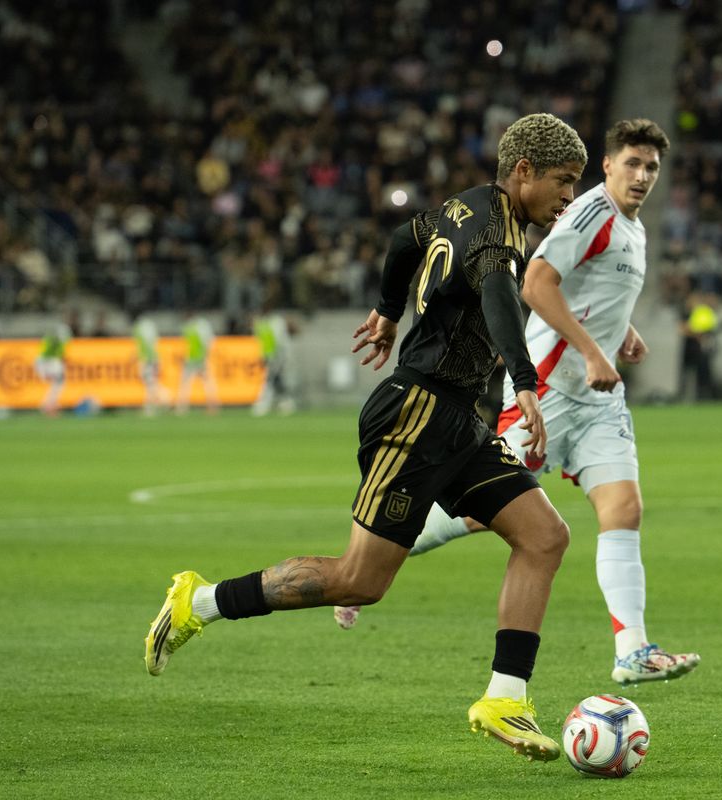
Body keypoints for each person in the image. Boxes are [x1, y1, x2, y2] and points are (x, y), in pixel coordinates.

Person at [144, 113, 587, 763]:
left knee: (545, 535)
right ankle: (199, 602)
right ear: (523, 172)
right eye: (563, 182)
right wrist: (523, 379)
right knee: (359, 581)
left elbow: (402, 240)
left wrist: (387, 308)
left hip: (459, 417)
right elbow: (497, 290)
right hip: (416, 413)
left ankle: (505, 698)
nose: (568, 197)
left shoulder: (462, 209)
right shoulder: (499, 235)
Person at [339, 119, 700, 687]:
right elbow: (534, 283)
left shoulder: (633, 228)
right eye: (632, 162)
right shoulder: (585, 212)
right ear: (607, 166)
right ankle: (373, 559)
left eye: (652, 167)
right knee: (486, 511)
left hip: (598, 399)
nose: (642, 175)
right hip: (552, 387)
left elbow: (589, 289)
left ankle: (632, 650)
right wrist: (590, 352)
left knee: (624, 510)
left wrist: (618, 332)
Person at [251, 305, 297, 416]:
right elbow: (262, 342)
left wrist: (274, 357)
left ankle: (264, 404)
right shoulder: (262, 324)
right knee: (275, 380)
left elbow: (278, 341)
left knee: (270, 380)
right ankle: (286, 403)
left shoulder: (275, 323)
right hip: (272, 355)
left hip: (279, 355)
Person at [175, 310, 218, 414]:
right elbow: (209, 341)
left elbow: (206, 342)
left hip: (196, 359)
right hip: (195, 359)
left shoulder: (195, 327)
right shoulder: (198, 326)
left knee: (187, 383)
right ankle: (212, 405)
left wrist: (204, 355)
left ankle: (182, 407)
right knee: (205, 382)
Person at [35, 318, 71, 416]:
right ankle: (49, 405)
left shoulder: (50, 338)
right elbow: (56, 356)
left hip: (43, 362)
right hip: (46, 363)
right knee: (59, 381)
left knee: (58, 383)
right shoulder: (58, 342)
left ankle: (49, 405)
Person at [133, 314, 167, 416]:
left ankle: (149, 407)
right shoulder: (150, 327)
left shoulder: (139, 329)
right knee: (150, 383)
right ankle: (163, 398)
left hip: (148, 360)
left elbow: (142, 346)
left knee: (150, 384)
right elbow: (154, 342)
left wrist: (139, 357)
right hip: (152, 359)